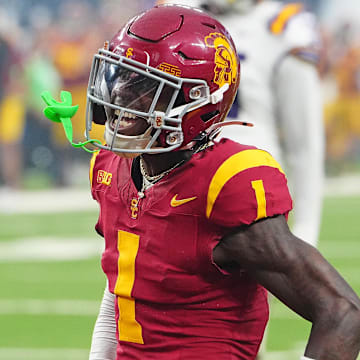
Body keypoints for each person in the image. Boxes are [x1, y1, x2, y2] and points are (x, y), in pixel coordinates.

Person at [75, 5, 360, 360]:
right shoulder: (112, 166)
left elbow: (343, 312)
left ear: (194, 100)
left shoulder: (222, 184)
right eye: (120, 76)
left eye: (142, 85)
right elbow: (119, 296)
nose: (118, 95)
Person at [156, 0, 324, 249]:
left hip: (251, 182)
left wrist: (306, 229)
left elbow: (305, 141)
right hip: (182, 179)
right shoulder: (178, 14)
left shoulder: (282, 28)